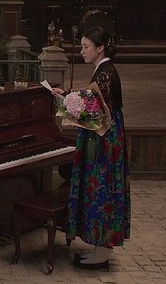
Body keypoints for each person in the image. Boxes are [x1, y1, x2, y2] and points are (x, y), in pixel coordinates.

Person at [52, 26, 130, 270]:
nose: (82, 51)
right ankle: (100, 248)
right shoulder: (103, 70)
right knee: (101, 186)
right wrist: (67, 95)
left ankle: (102, 250)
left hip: (105, 138)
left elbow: (91, 110)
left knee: (102, 186)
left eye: (86, 47)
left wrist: (64, 102)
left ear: (100, 48)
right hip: (106, 134)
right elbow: (91, 100)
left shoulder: (106, 73)